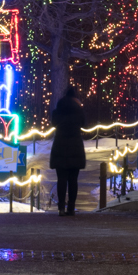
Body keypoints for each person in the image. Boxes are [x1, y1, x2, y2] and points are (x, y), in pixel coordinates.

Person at [49, 85, 87, 216]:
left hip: (60, 146)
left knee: (61, 179)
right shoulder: (78, 110)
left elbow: (53, 123)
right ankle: (71, 207)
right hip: (75, 147)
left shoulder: (58, 110)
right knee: (73, 180)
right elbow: (83, 123)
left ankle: (61, 208)